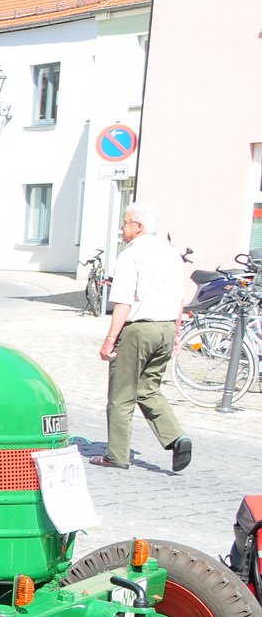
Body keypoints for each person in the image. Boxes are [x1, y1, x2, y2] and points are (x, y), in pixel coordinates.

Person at [92, 201, 192, 472]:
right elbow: (179, 296)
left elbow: (123, 301)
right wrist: (178, 329)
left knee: (121, 394)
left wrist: (110, 339)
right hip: (166, 327)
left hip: (139, 329)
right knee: (148, 388)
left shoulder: (131, 254)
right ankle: (176, 437)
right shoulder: (171, 253)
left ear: (138, 226)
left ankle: (116, 455)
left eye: (126, 223)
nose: (123, 228)